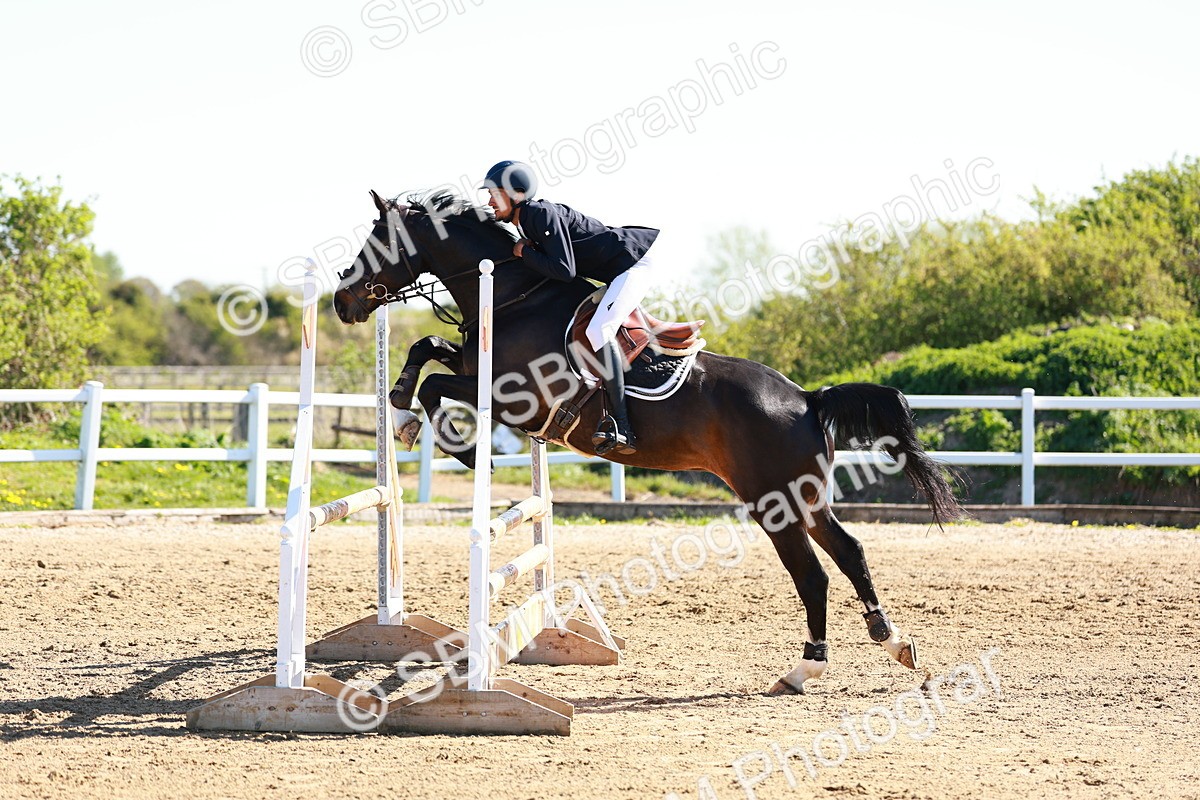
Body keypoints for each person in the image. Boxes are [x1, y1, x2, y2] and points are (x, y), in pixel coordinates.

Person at [480, 160, 658, 456]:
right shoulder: (528, 220)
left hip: (637, 262)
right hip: (623, 266)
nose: (489, 201)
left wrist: (525, 251)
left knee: (601, 329)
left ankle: (622, 425)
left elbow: (564, 270)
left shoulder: (537, 214)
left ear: (516, 194)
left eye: (494, 194)